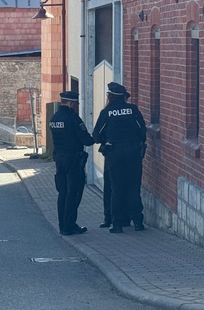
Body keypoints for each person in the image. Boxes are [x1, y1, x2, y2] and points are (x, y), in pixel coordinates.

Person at [92, 82, 147, 234]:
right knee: (133, 187)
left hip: (114, 154)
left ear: (110, 96)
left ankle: (116, 224)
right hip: (133, 153)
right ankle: (138, 222)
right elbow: (142, 130)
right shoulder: (133, 110)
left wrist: (105, 141)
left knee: (116, 188)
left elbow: (96, 135)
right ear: (123, 97)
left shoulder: (107, 112)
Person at [49, 90, 95, 235]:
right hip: (74, 160)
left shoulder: (54, 118)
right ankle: (69, 226)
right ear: (71, 103)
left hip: (59, 159)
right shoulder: (73, 118)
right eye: (76, 103)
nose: (77, 106)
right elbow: (86, 140)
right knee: (73, 193)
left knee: (62, 192)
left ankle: (62, 225)